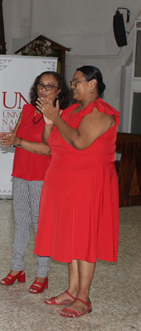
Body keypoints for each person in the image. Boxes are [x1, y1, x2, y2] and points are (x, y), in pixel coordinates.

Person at [34, 66, 119, 318]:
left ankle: (83, 297)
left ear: (93, 84)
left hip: (88, 183)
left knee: (84, 237)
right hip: (64, 182)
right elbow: (51, 142)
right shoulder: (71, 110)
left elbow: (81, 142)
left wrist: (57, 118)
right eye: (72, 82)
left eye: (77, 81)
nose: (73, 86)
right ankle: (72, 290)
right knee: (71, 235)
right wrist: (50, 122)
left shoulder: (102, 112)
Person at [0, 72, 70, 293]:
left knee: (41, 226)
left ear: (59, 91)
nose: (44, 89)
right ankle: (17, 268)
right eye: (41, 85)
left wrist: (20, 141)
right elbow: (18, 137)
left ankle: (42, 273)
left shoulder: (61, 115)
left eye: (50, 86)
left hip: (43, 176)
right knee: (20, 222)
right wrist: (11, 140)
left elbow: (50, 149)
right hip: (21, 172)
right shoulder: (27, 110)